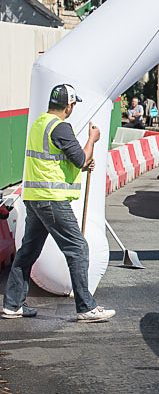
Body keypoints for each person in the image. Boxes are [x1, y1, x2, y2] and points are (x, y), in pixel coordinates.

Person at [2, 84, 115, 322]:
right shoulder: (61, 127)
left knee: (28, 252)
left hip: (34, 198)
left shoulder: (40, 123)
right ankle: (86, 307)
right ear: (69, 106)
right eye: (73, 105)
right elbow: (80, 158)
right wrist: (92, 140)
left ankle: (12, 305)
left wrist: (84, 162)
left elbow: (64, 160)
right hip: (51, 199)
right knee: (78, 248)